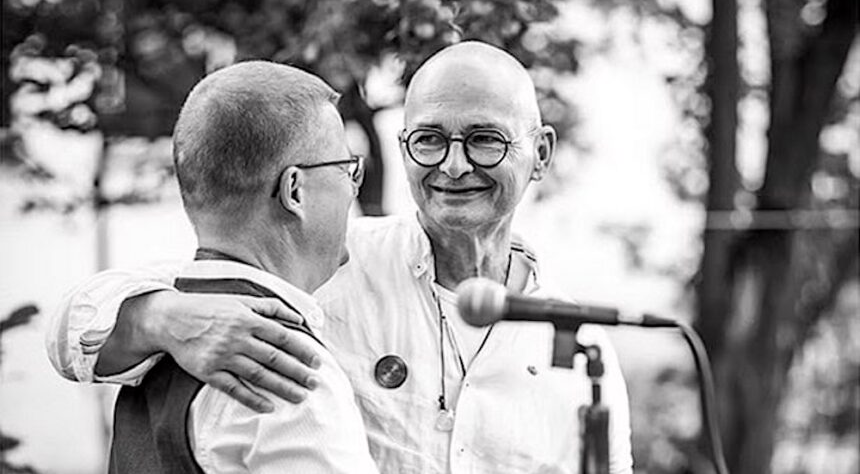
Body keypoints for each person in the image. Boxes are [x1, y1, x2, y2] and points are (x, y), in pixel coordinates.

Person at [48, 42, 633, 473]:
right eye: (429, 140)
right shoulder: (328, 263)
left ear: (541, 153)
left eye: (485, 139)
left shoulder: (583, 349)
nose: (453, 166)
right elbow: (75, 325)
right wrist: (159, 318)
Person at [100, 60, 378, 473]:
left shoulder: (149, 342)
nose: (352, 188)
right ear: (295, 190)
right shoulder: (282, 371)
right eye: (345, 168)